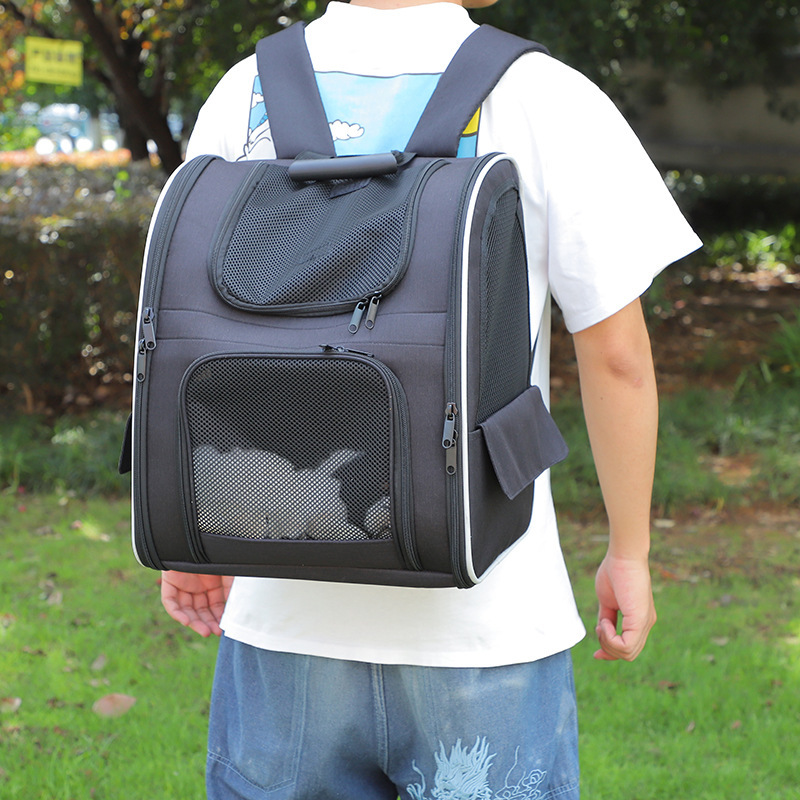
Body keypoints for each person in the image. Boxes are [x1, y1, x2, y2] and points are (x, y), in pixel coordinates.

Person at [160, 1, 702, 797]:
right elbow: (617, 359)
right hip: (487, 613)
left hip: (283, 603)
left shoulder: (247, 92)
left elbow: (188, 326)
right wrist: (630, 552)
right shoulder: (544, 94)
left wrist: (194, 534)